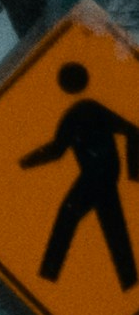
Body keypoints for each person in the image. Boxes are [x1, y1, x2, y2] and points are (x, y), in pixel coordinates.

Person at [21, 58, 139, 294]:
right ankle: (128, 283)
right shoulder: (79, 112)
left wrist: (133, 174)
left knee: (71, 219)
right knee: (110, 228)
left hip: (98, 177)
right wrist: (24, 163)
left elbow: (132, 131)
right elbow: (57, 150)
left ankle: (48, 276)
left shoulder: (86, 109)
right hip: (99, 176)